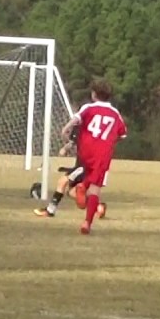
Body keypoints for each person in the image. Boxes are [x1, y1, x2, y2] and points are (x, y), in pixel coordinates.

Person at [57, 80, 126, 235]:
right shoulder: (115, 113)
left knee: (86, 178)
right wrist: (109, 140)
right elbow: (122, 134)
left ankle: (83, 185)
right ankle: (87, 222)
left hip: (86, 151)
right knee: (95, 188)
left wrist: (65, 130)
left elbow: (74, 122)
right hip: (102, 154)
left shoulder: (88, 108)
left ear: (94, 94)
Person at [33, 135, 107, 220]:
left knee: (62, 181)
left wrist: (65, 149)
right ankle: (97, 207)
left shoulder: (86, 130)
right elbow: (73, 141)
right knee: (72, 193)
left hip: (85, 165)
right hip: (84, 164)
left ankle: (50, 210)